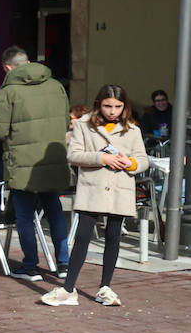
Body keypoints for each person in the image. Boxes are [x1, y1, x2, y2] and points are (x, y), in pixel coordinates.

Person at [42, 85, 147, 307]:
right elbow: (74, 154)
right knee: (82, 238)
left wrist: (132, 163)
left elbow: (143, 160)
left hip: (120, 187)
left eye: (118, 106)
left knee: (113, 236)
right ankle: (69, 288)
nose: (113, 111)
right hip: (93, 188)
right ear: (99, 104)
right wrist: (102, 158)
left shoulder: (132, 129)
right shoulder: (83, 124)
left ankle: (105, 287)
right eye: (108, 105)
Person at [0, 44, 71, 282]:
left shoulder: (7, 92)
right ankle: (64, 263)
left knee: (24, 216)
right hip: (52, 158)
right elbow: (65, 120)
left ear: (8, 67)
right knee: (55, 211)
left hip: (22, 161)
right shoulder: (56, 86)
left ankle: (30, 265)